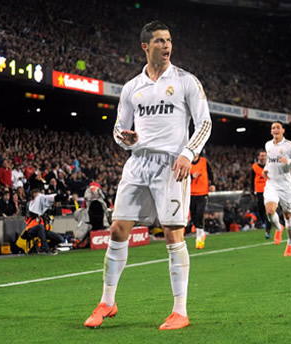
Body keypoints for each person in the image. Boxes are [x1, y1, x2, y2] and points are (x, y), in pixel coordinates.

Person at [84, 20, 212, 331]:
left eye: (168, 40)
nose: (166, 46)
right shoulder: (131, 88)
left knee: (172, 233)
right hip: (137, 163)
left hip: (171, 165)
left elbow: (205, 123)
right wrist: (123, 138)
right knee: (117, 230)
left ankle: (180, 310)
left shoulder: (186, 81)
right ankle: (108, 302)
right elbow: (118, 128)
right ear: (145, 46)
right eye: (159, 41)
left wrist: (187, 154)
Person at [263, 121, 291, 257]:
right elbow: (269, 161)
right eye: (273, 128)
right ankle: (279, 228)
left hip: (286, 186)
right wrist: (265, 169)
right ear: (271, 131)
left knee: (287, 215)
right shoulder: (268, 145)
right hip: (271, 184)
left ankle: (290, 242)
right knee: (270, 211)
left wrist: (290, 162)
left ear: (283, 130)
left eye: (278, 128)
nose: (275, 130)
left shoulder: (290, 146)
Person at [17, 189, 64, 255]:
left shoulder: (43, 205)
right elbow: (30, 212)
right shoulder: (30, 204)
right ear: (33, 194)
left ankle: (42, 247)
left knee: (60, 239)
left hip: (42, 229)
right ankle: (46, 249)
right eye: (36, 193)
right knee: (40, 227)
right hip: (31, 229)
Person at [189, 153, 214, 249]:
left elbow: (210, 173)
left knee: (200, 213)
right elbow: (183, 176)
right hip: (191, 193)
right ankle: (201, 233)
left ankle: (199, 238)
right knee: (194, 215)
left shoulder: (204, 161)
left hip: (203, 192)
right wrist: (192, 176)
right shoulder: (187, 162)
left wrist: (213, 184)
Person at [251, 149, 271, 238]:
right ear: (258, 157)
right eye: (261, 156)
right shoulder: (254, 167)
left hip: (269, 190)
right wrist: (252, 190)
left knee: (268, 210)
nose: (263, 157)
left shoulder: (270, 166)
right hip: (259, 191)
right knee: (261, 208)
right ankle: (264, 221)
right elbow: (252, 179)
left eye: (264, 156)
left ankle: (268, 230)